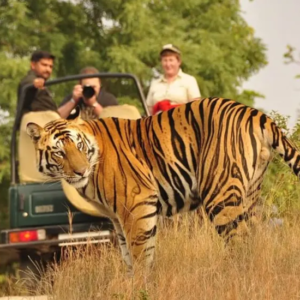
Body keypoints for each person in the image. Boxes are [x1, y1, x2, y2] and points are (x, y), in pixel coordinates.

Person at [17, 50, 78, 122]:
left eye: (50, 66)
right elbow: (27, 84)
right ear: (33, 65)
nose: (48, 69)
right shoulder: (30, 80)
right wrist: (35, 83)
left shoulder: (44, 86)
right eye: (44, 65)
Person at [146, 44, 201, 115]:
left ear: (178, 62)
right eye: (165, 60)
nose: (168, 64)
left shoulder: (189, 80)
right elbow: (149, 110)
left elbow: (196, 108)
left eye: (171, 60)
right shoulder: (155, 83)